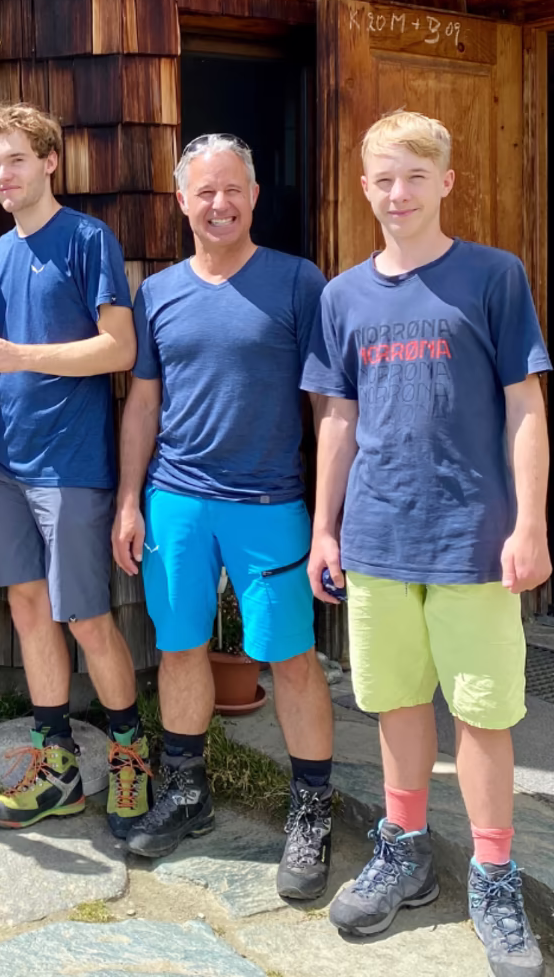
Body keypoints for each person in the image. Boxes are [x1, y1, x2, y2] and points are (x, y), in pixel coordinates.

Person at [302, 109, 551, 977]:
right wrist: (324, 527)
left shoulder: (493, 276)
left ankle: (492, 874)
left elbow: (525, 407)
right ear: (363, 186)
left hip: (473, 538)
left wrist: (531, 522)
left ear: (447, 182)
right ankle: (403, 847)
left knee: (483, 711)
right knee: (398, 702)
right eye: (383, 177)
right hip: (374, 537)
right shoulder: (342, 296)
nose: (398, 193)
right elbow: (337, 416)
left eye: (416, 175)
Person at [112, 133, 337, 895]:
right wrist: (127, 502)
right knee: (179, 647)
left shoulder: (298, 282)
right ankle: (186, 791)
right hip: (176, 499)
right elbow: (143, 401)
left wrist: (332, 514)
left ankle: (312, 810)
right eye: (204, 192)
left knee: (291, 658)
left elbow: (324, 403)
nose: (220, 204)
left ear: (254, 195)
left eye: (232, 188)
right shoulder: (160, 292)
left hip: (270, 503)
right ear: (182, 202)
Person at [0, 102, 148, 839]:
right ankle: (59, 768)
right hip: (6, 462)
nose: (1, 175)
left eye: (13, 160)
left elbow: (119, 349)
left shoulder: (88, 239)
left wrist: (20, 355)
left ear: (48, 162)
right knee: (30, 612)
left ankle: (132, 757)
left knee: (89, 619)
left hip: (70, 466)